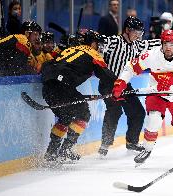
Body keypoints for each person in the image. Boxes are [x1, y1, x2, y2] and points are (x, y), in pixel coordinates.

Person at [112, 30, 173, 165]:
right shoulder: (152, 55)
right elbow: (131, 67)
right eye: (166, 43)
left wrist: (172, 81)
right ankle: (147, 148)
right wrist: (120, 83)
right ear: (161, 43)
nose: (168, 47)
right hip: (157, 94)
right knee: (154, 120)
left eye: (172, 44)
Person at [41, 30, 117, 162]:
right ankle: (65, 150)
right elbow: (104, 74)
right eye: (99, 44)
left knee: (65, 117)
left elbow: (48, 64)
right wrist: (120, 85)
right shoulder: (92, 53)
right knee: (84, 114)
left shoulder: (72, 49)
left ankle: (51, 153)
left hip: (48, 87)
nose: (100, 48)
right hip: (62, 87)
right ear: (92, 43)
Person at [98, 16, 161, 156]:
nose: (138, 35)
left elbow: (151, 44)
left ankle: (132, 142)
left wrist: (169, 41)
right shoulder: (115, 41)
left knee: (138, 112)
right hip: (108, 83)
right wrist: (94, 39)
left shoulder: (136, 44)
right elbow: (102, 41)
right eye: (136, 32)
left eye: (140, 33)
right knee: (114, 111)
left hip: (124, 84)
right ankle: (105, 144)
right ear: (127, 30)